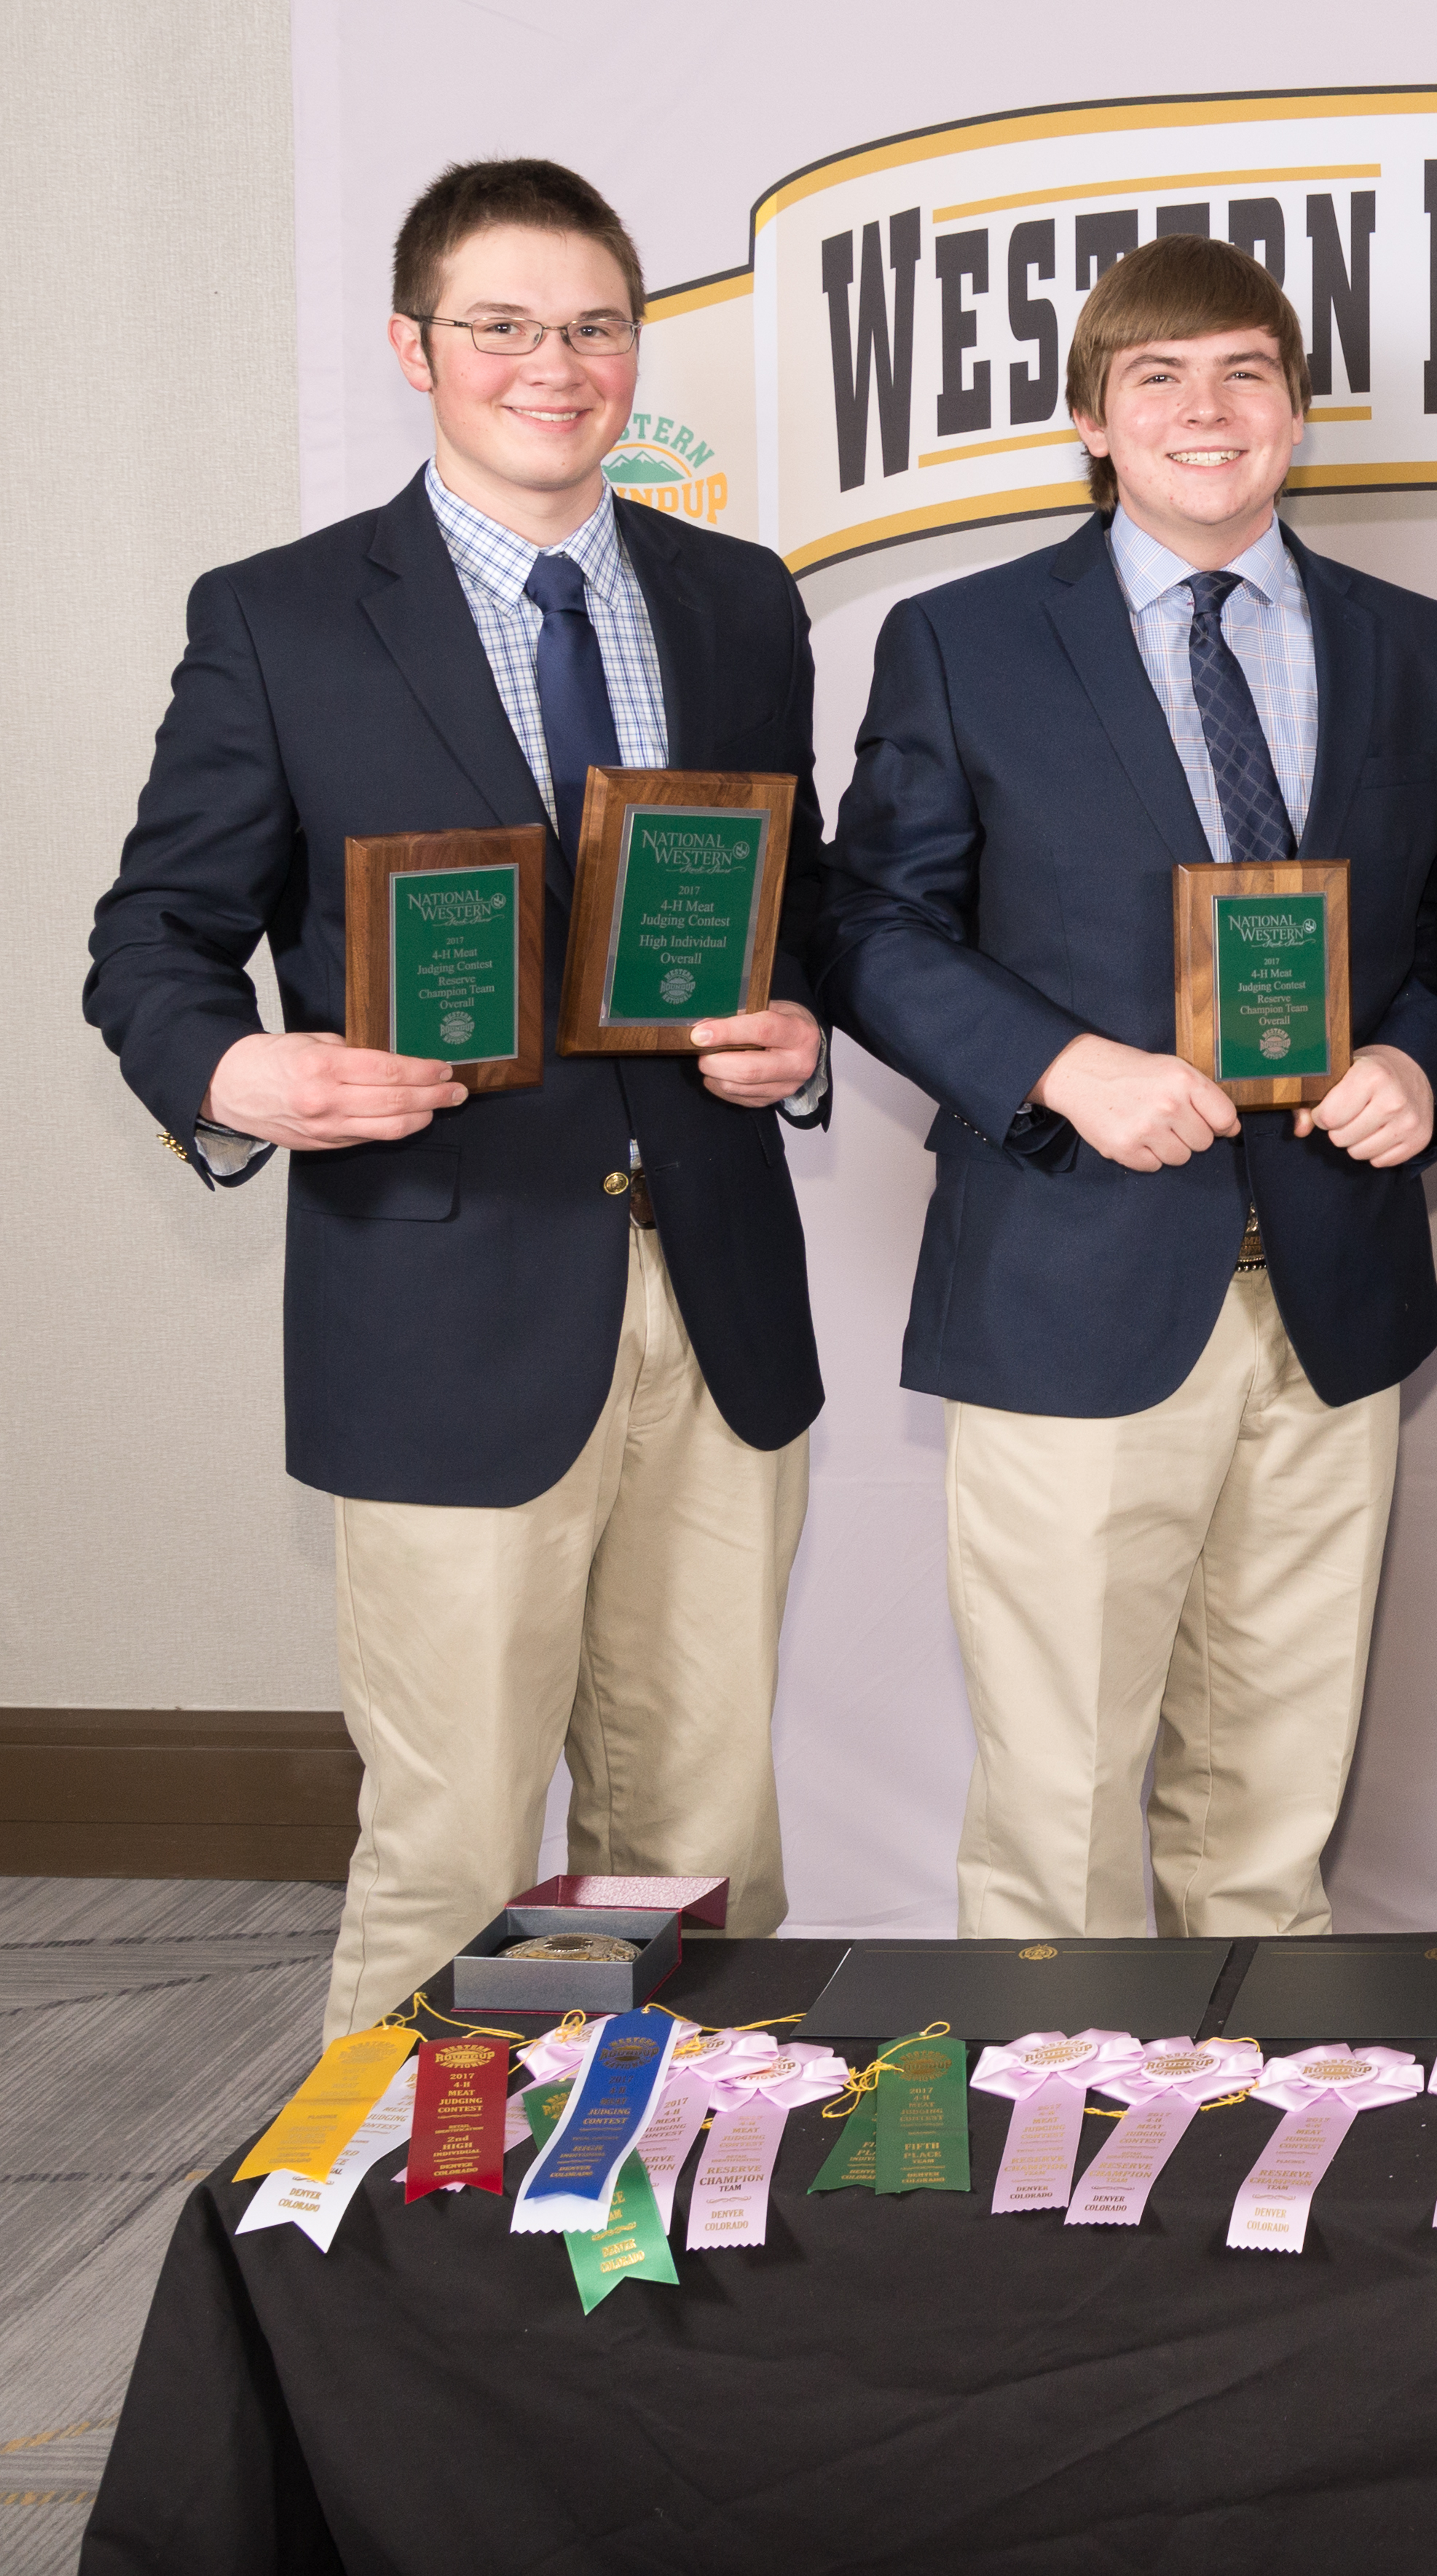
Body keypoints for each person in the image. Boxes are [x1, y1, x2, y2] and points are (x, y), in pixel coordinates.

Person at [84, 160, 832, 2037]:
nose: (550, 365)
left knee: (708, 1837)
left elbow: (792, 900)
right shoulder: (282, 618)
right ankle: (392, 2298)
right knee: (451, 1848)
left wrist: (798, 1024)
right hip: (439, 1307)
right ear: (416, 346)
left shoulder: (740, 603)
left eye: (590, 327)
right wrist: (236, 1068)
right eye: (500, 325)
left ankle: (694, 2271)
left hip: (716, 1291)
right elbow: (153, 935)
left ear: (633, 353)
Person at [819, 234, 1437, 1940]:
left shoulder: (1415, 644)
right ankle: (1057, 2177)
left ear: (1297, 412)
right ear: (1094, 422)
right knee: (1057, 1813)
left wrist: (1420, 1051)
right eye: (1158, 377)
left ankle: (1257, 2159)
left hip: (1329, 1289)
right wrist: (1060, 1064)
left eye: (1245, 370)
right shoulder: (963, 641)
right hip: (1073, 1274)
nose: (1207, 408)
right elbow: (868, 923)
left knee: (1270, 1806)